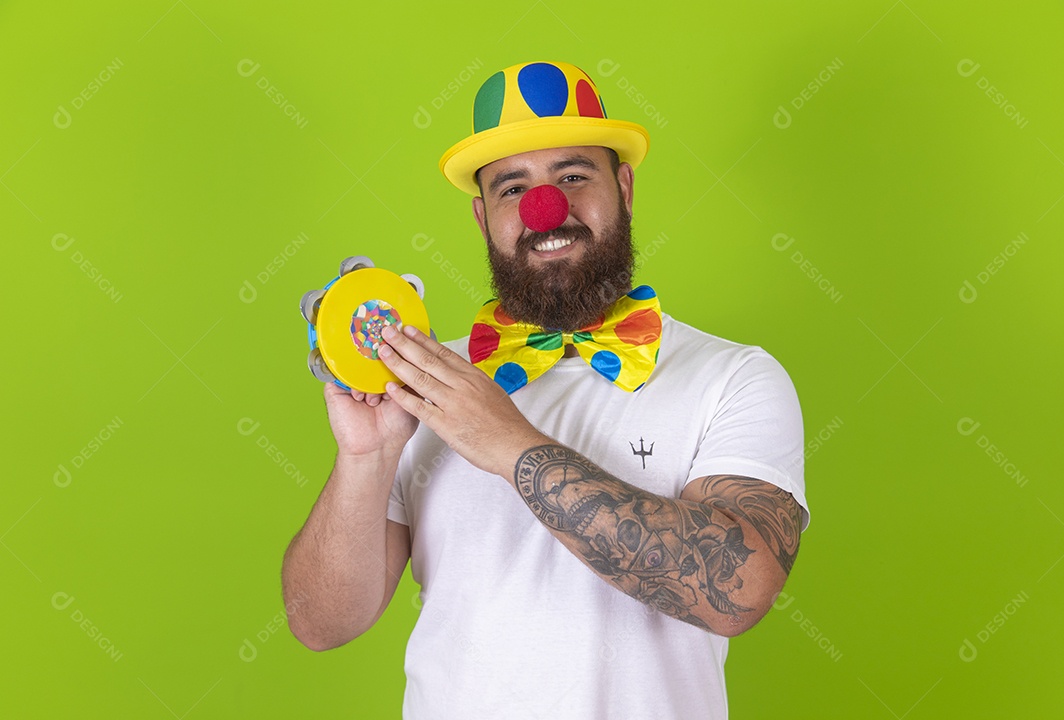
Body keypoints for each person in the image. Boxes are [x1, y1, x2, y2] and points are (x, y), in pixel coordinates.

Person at [282, 60, 810, 719]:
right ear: (483, 218)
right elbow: (320, 622)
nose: (545, 207)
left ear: (623, 187)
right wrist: (367, 456)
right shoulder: (423, 389)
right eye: (513, 187)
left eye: (572, 176)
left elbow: (738, 587)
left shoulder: (731, 377)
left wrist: (507, 443)